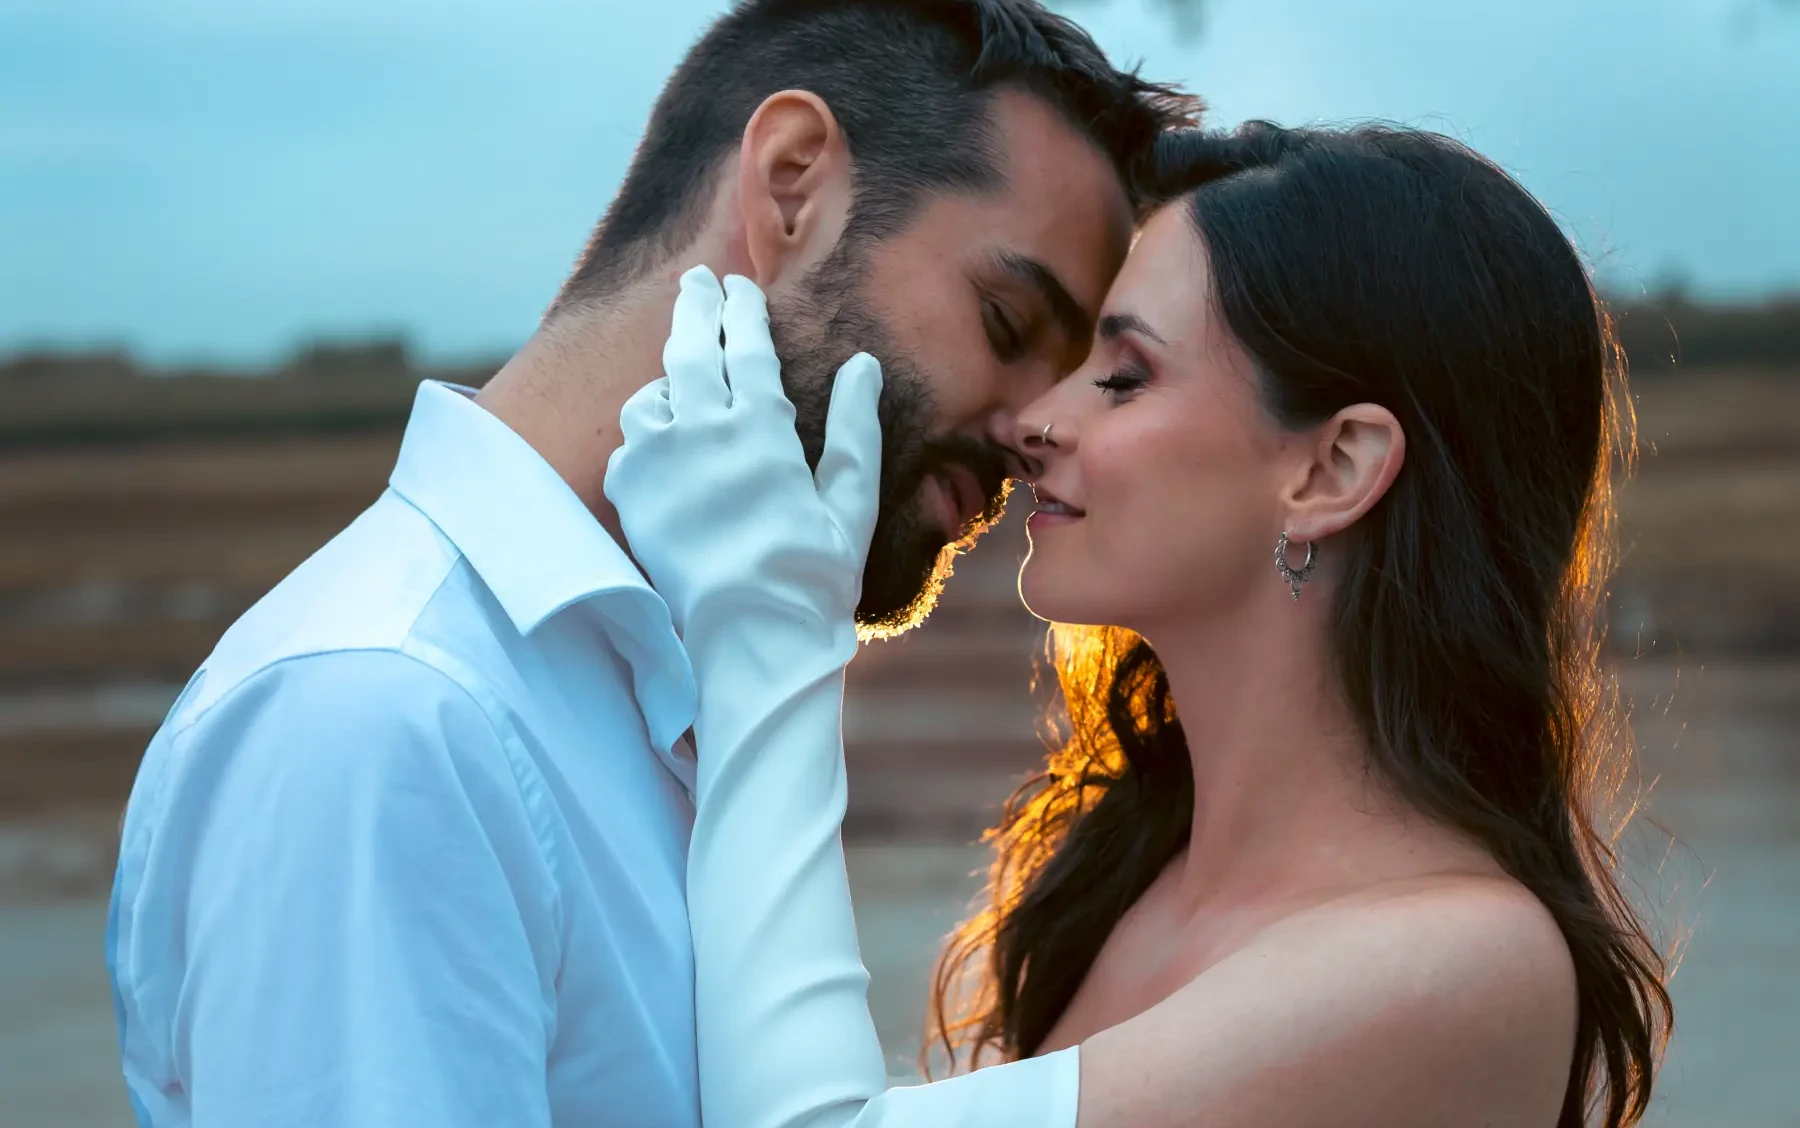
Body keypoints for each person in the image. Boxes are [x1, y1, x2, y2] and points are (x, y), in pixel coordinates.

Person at [103, 2, 1196, 1124]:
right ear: (791, 184)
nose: (1034, 432)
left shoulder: (664, 686)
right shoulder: (387, 719)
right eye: (1007, 322)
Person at [605, 122, 1673, 1128]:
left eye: (1123, 377)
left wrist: (772, 641)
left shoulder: (1461, 960)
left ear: (1334, 468)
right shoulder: (1130, 874)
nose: (1036, 420)